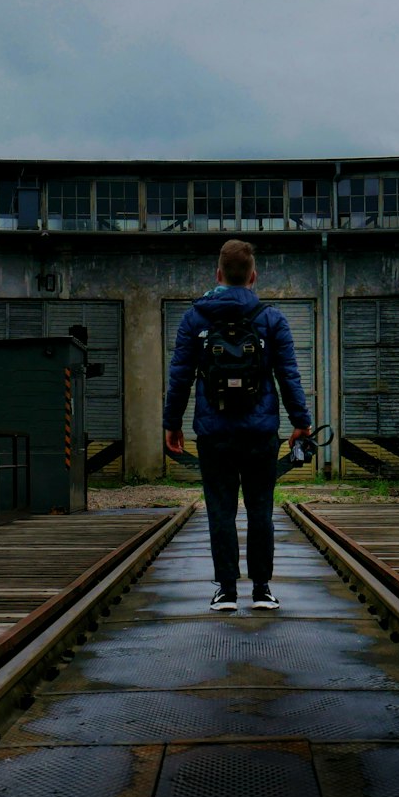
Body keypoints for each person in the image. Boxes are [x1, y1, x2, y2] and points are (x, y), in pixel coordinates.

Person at [163, 239, 313, 611]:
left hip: (214, 432)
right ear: (253, 276)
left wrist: (172, 423)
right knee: (261, 508)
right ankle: (261, 590)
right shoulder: (271, 318)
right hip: (260, 431)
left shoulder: (195, 317)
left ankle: (226, 592)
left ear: (218, 274)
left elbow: (179, 377)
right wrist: (301, 422)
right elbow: (288, 375)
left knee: (220, 509)